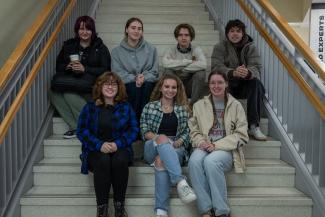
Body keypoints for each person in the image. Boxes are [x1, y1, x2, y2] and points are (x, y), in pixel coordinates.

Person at [77, 72, 139, 217]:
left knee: (120, 160)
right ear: (100, 86)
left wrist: (118, 144)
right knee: (103, 160)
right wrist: (99, 145)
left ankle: (119, 208)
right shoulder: (90, 107)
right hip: (95, 149)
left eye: (113, 84)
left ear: (119, 87)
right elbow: (81, 130)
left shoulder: (126, 107)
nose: (110, 87)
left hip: (120, 148)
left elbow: (134, 129)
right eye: (106, 83)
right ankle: (102, 211)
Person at [188, 71, 248, 217]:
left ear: (226, 84)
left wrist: (217, 145)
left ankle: (222, 211)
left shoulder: (236, 106)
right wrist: (201, 142)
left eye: (220, 82)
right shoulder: (199, 105)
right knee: (194, 161)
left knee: (211, 161)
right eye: (213, 83)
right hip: (205, 144)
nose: (216, 86)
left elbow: (242, 135)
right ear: (208, 85)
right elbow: (193, 131)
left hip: (226, 149)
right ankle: (206, 210)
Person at [140, 74, 196, 217]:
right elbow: (144, 131)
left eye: (173, 87)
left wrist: (180, 141)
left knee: (161, 161)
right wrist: (160, 138)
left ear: (177, 90)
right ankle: (180, 181)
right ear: (160, 88)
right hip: (152, 146)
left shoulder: (182, 109)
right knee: (161, 141)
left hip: (175, 147)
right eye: (167, 86)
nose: (170, 90)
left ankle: (161, 211)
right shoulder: (150, 107)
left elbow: (186, 132)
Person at [50, 15, 111, 139]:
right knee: (53, 93)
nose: (85, 32)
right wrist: (68, 66)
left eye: (88, 29)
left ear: (92, 31)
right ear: (77, 30)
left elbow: (106, 70)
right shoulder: (69, 45)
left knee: (68, 94)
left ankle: (83, 126)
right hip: (71, 82)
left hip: (90, 87)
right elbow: (59, 66)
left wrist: (85, 69)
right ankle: (76, 126)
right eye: (81, 29)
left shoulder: (100, 48)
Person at [211, 19, 267, 140]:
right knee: (219, 83)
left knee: (256, 84)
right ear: (227, 33)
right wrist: (232, 72)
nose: (235, 34)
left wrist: (247, 73)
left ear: (243, 33)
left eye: (238, 31)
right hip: (228, 83)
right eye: (232, 31)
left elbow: (256, 67)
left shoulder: (251, 47)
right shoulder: (220, 47)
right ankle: (225, 125)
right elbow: (216, 66)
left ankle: (254, 126)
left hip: (245, 84)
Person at [111, 17, 158, 120]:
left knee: (146, 86)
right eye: (133, 28)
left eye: (139, 28)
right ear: (126, 30)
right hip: (127, 84)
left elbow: (154, 72)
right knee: (134, 88)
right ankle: (134, 124)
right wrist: (135, 78)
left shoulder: (151, 49)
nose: (136, 31)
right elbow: (117, 73)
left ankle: (142, 124)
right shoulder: (116, 52)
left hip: (147, 83)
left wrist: (144, 77)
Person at [162, 23, 207, 104]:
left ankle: (193, 104)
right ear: (176, 37)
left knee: (201, 73)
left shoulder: (196, 49)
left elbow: (203, 64)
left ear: (191, 37)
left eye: (186, 35)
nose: (183, 38)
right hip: (175, 83)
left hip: (191, 84)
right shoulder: (170, 50)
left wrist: (178, 67)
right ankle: (173, 102)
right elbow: (165, 63)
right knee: (168, 72)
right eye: (180, 35)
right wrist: (187, 62)